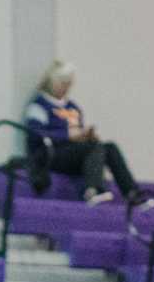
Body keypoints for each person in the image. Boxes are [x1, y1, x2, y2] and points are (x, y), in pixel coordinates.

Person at [24, 61, 143, 206]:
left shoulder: (73, 107)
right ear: (52, 81)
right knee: (93, 147)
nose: (66, 87)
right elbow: (36, 134)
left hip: (74, 153)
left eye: (68, 84)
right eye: (62, 83)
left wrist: (86, 136)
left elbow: (78, 134)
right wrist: (68, 136)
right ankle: (93, 190)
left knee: (109, 148)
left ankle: (131, 193)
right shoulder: (39, 105)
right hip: (50, 154)